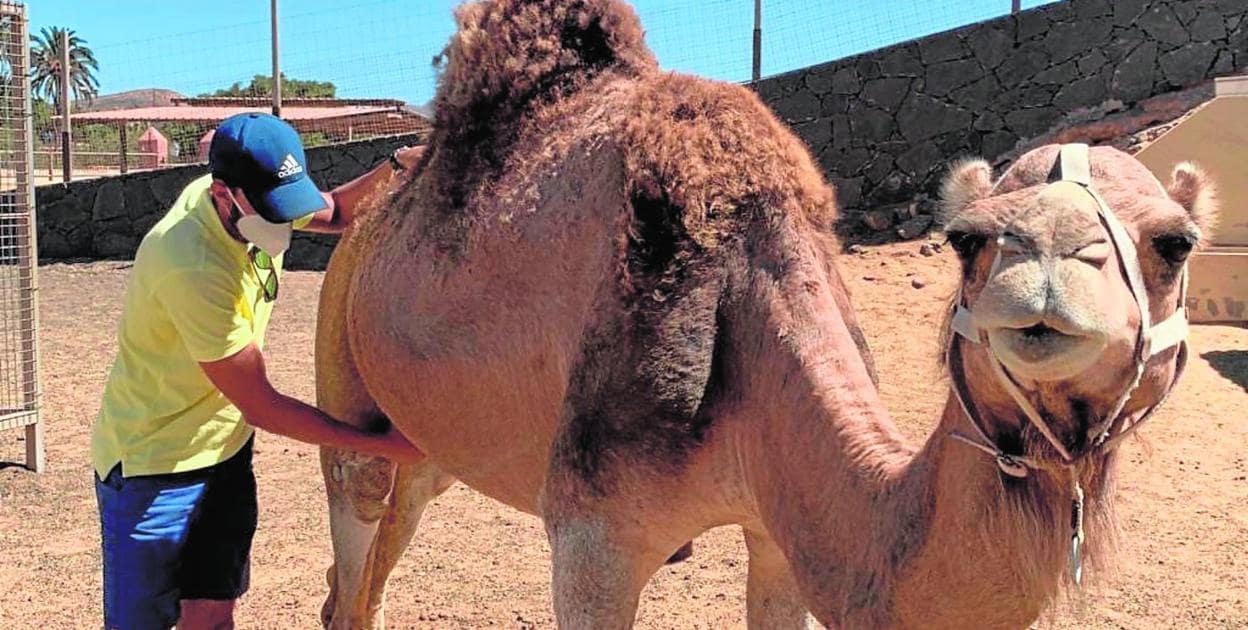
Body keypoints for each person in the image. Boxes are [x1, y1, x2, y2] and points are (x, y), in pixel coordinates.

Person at [91, 112, 423, 630]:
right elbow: (263, 406)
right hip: (153, 469)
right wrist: (384, 445)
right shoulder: (191, 264)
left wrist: (399, 167)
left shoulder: (256, 197)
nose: (284, 221)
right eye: (272, 210)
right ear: (223, 194)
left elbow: (336, 213)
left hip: (225, 454)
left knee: (214, 617)